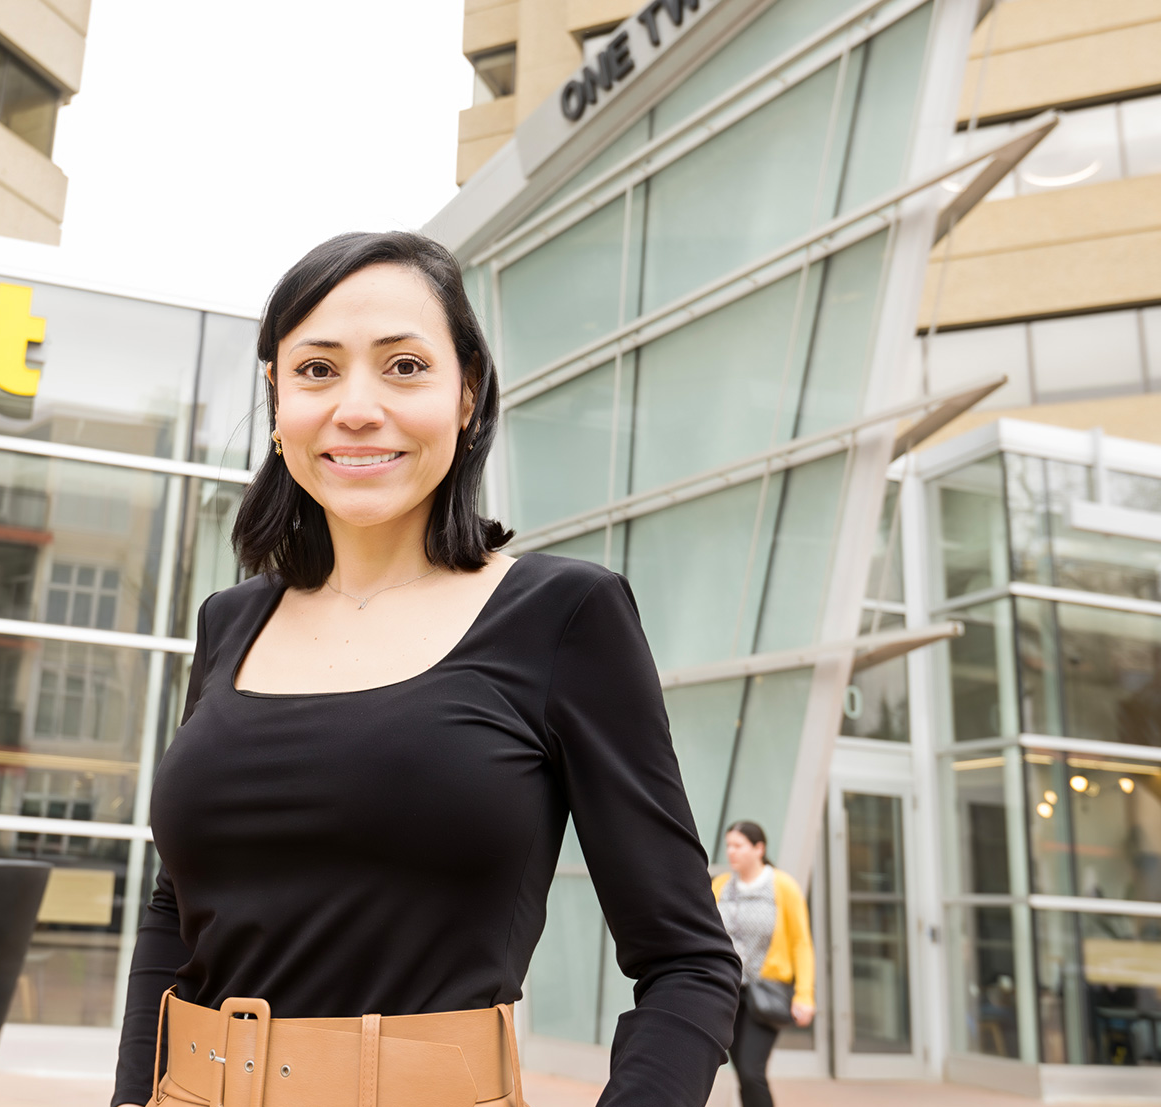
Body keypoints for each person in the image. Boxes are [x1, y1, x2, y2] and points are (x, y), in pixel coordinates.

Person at [111, 232, 740, 1107]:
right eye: (317, 370)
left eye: (404, 367)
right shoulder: (231, 623)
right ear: (277, 397)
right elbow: (173, 919)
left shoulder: (562, 616)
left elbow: (688, 961)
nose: (358, 407)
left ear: (466, 393)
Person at [709, 821, 815, 1107]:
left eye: (738, 845)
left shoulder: (782, 886)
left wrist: (804, 996)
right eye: (728, 845)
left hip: (765, 991)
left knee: (751, 1070)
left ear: (759, 848)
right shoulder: (720, 886)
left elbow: (801, 944)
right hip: (729, 991)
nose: (731, 851)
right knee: (743, 1071)